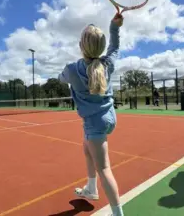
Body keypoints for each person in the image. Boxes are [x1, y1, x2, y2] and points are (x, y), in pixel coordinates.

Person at [58, 13, 124, 216]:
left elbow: (61, 78)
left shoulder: (71, 70)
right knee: (86, 149)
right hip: (109, 118)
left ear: (81, 45)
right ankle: (91, 188)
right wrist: (114, 27)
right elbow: (115, 47)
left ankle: (118, 214)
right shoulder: (108, 65)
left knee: (104, 169)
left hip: (94, 124)